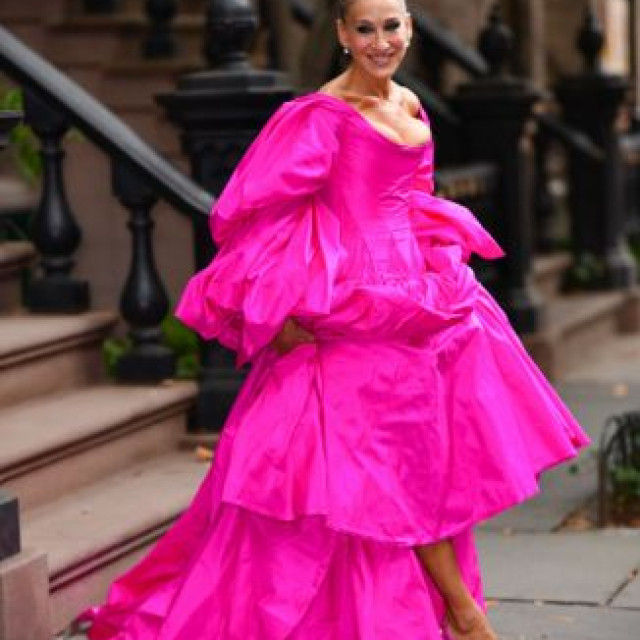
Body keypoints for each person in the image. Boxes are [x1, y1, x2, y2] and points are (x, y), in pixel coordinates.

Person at [75, 0, 589, 638]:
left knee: (427, 460)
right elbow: (256, 211)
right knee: (384, 466)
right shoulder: (320, 116)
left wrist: (439, 267)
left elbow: (416, 200)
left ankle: (408, 616)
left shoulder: (409, 105)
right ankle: (463, 614)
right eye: (366, 29)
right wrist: (288, 302)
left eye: (393, 26)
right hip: (353, 306)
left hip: (420, 300)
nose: (381, 42)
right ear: (343, 34)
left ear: (408, 27)